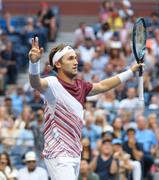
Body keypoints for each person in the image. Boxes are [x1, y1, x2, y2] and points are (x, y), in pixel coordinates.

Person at [28, 36, 142, 180]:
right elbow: (35, 83)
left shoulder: (81, 86)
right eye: (70, 59)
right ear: (58, 63)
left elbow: (103, 85)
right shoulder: (52, 84)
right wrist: (34, 64)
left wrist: (131, 71)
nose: (76, 62)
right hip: (58, 153)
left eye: (75, 58)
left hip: (75, 153)